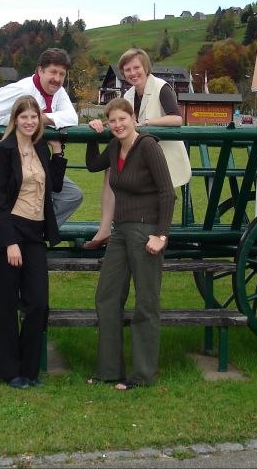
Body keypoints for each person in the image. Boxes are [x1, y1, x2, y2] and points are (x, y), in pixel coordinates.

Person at [85, 98, 176, 390]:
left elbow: (167, 193)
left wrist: (161, 235)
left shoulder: (148, 146)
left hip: (146, 231)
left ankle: (142, 375)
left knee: (146, 302)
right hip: (121, 231)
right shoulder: (114, 147)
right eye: (112, 121)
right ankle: (109, 370)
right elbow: (92, 165)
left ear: (133, 118)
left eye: (122, 119)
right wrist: (93, 134)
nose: (118, 125)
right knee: (107, 296)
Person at [0, 95, 67, 389]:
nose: (30, 122)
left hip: (34, 234)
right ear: (15, 119)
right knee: (6, 305)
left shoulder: (40, 147)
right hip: (8, 233)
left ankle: (30, 370)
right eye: (25, 117)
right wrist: (10, 242)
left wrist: (58, 152)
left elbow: (55, 185)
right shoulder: (4, 151)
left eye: (34, 117)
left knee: (38, 302)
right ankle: (10, 371)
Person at [84, 48, 190, 249]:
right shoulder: (129, 94)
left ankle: (148, 235)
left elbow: (176, 118)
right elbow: (121, 118)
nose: (132, 73)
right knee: (111, 169)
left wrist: (147, 123)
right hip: (141, 156)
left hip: (163, 156)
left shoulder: (161, 87)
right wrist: (99, 124)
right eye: (127, 70)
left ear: (146, 67)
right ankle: (105, 229)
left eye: (136, 68)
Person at [0, 47, 82, 226]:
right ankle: (17, 237)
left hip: (34, 158)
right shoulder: (21, 89)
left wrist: (42, 118)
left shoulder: (58, 91)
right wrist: (22, 119)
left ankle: (38, 232)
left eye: (62, 74)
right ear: (40, 70)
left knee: (72, 195)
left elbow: (72, 118)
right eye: (53, 72)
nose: (57, 79)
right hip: (3, 156)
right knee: (14, 206)